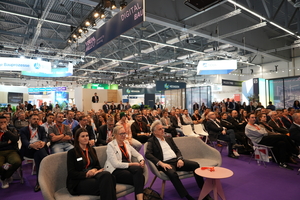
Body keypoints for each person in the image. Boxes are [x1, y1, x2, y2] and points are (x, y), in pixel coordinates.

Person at [145, 121, 212, 200]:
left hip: (177, 161)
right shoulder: (151, 141)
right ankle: (186, 196)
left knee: (196, 165)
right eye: (160, 129)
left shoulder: (168, 138)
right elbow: (148, 154)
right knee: (173, 174)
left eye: (162, 128)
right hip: (166, 163)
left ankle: (203, 190)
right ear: (154, 132)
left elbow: (177, 150)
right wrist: (161, 164)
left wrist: (180, 159)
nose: (162, 130)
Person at [67, 128, 116, 200]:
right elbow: (71, 173)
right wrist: (87, 174)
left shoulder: (92, 150)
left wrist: (94, 170)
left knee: (108, 176)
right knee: (107, 184)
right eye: (82, 136)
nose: (85, 138)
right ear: (77, 138)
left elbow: (97, 166)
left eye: (87, 136)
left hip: (93, 175)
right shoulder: (72, 153)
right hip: (79, 180)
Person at [104, 126, 145, 200]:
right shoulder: (111, 145)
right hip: (115, 170)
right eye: (121, 134)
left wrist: (141, 160)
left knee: (138, 171)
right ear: (115, 135)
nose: (123, 135)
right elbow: (115, 164)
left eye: (124, 133)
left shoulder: (126, 143)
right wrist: (132, 164)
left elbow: (137, 154)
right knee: (141, 178)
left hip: (127, 168)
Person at [19, 114, 49, 192]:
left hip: (39, 148)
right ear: (29, 120)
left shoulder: (41, 128)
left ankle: (39, 183)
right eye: (34, 119)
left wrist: (43, 142)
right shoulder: (23, 130)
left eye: (37, 119)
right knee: (42, 155)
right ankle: (48, 168)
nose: (36, 120)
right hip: (29, 150)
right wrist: (31, 145)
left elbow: (45, 137)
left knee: (39, 155)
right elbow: (24, 141)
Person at [0, 116, 21, 189]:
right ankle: (5, 177)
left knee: (17, 162)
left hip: (11, 151)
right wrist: (7, 143)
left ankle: (4, 177)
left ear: (7, 122)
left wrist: (6, 131)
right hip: (0, 152)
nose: (3, 124)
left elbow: (15, 139)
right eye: (1, 122)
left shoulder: (12, 129)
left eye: (4, 122)